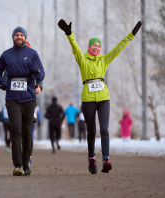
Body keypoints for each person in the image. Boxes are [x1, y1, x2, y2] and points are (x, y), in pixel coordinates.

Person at [58, 19, 142, 174]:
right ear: (89, 47)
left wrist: (131, 35)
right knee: (91, 130)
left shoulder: (104, 60)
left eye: (99, 46)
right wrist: (69, 34)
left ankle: (106, 160)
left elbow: (119, 48)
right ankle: (91, 158)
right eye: (94, 45)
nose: (96, 48)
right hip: (88, 100)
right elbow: (75, 48)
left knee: (104, 129)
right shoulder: (83, 60)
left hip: (104, 99)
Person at [0, 26, 45, 176]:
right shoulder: (6, 54)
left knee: (27, 132)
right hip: (12, 98)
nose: (19, 37)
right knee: (16, 129)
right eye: (17, 35)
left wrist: (36, 71)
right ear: (13, 37)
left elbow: (42, 73)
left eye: (22, 35)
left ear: (25, 38)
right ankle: (18, 165)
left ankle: (26, 161)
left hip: (29, 98)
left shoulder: (32, 54)